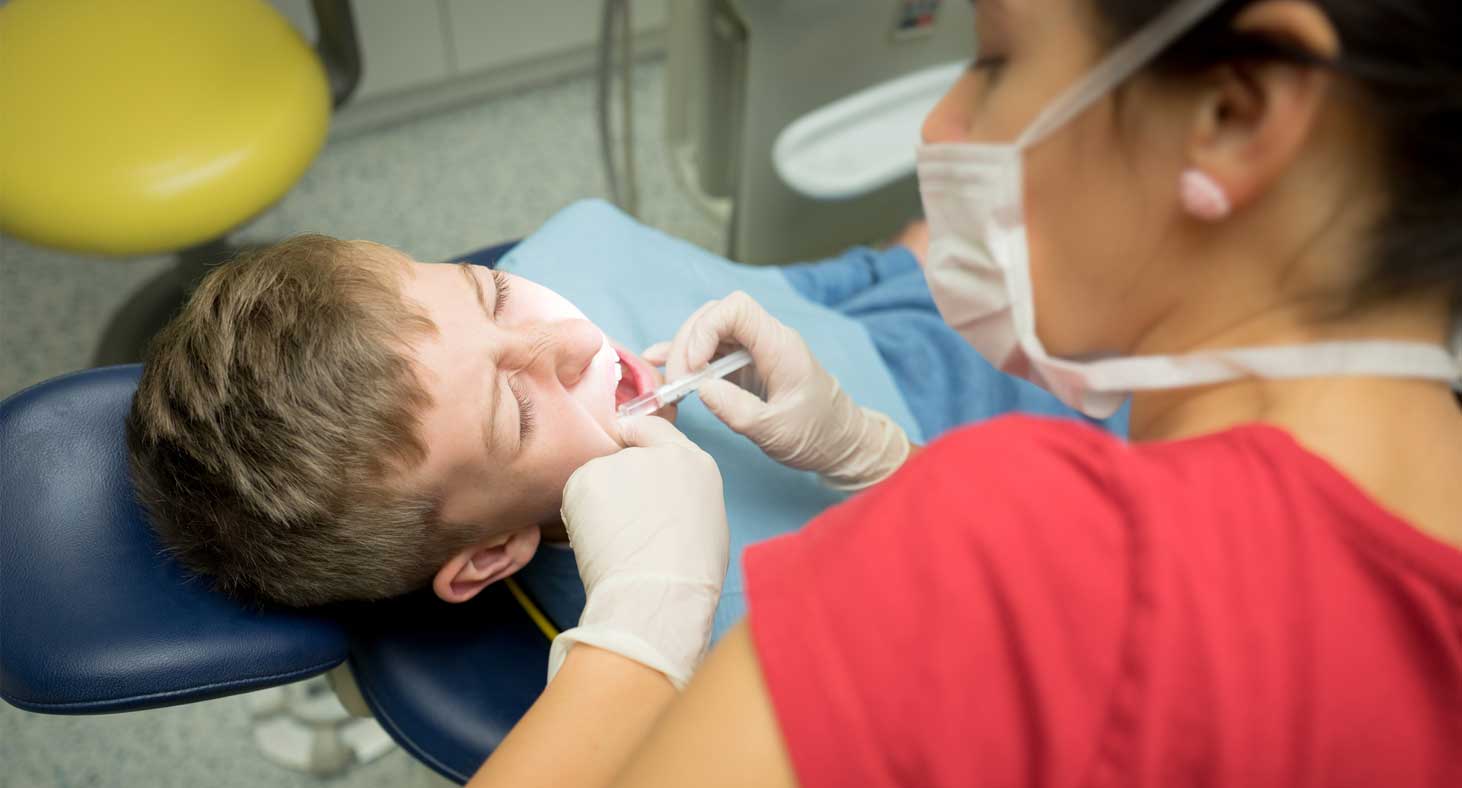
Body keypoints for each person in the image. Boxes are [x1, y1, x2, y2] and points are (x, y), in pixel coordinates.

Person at [469, 0, 1461, 785]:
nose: (940, 128)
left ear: (1234, 109)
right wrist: (891, 466)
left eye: (993, 59)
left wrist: (635, 632)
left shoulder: (1007, 554)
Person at [126, 219, 1107, 614]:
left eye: (491, 295)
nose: (568, 343)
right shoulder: (732, 651)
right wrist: (884, 460)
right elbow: (1074, 607)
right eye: (514, 404)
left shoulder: (573, 246)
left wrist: (905, 266)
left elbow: (798, 289)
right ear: (488, 554)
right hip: (1085, 480)